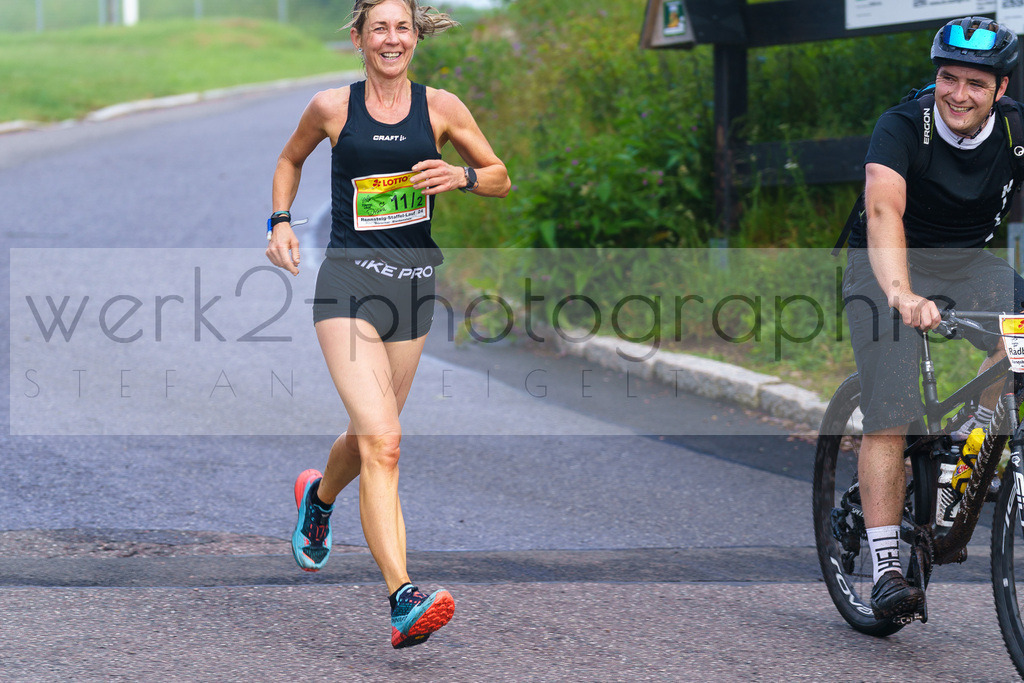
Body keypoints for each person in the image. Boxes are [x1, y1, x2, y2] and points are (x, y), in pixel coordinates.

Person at [265, 0, 510, 649]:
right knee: (386, 440)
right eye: (380, 28)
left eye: (402, 27)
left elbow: (499, 176)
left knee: (370, 437)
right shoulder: (331, 108)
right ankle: (403, 594)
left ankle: (318, 496)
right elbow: (289, 161)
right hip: (345, 286)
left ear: (415, 36)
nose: (392, 38)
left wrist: (459, 175)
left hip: (412, 291)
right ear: (359, 38)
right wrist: (280, 222)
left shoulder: (442, 108)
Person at [843, 16, 1024, 624]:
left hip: (967, 262)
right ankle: (888, 566)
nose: (958, 94)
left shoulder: (1017, 130)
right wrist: (900, 293)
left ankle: (974, 441)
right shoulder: (903, 126)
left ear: (1000, 90)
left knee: (1020, 334)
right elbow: (883, 210)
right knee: (891, 407)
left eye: (976, 83)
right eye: (948, 77)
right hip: (883, 265)